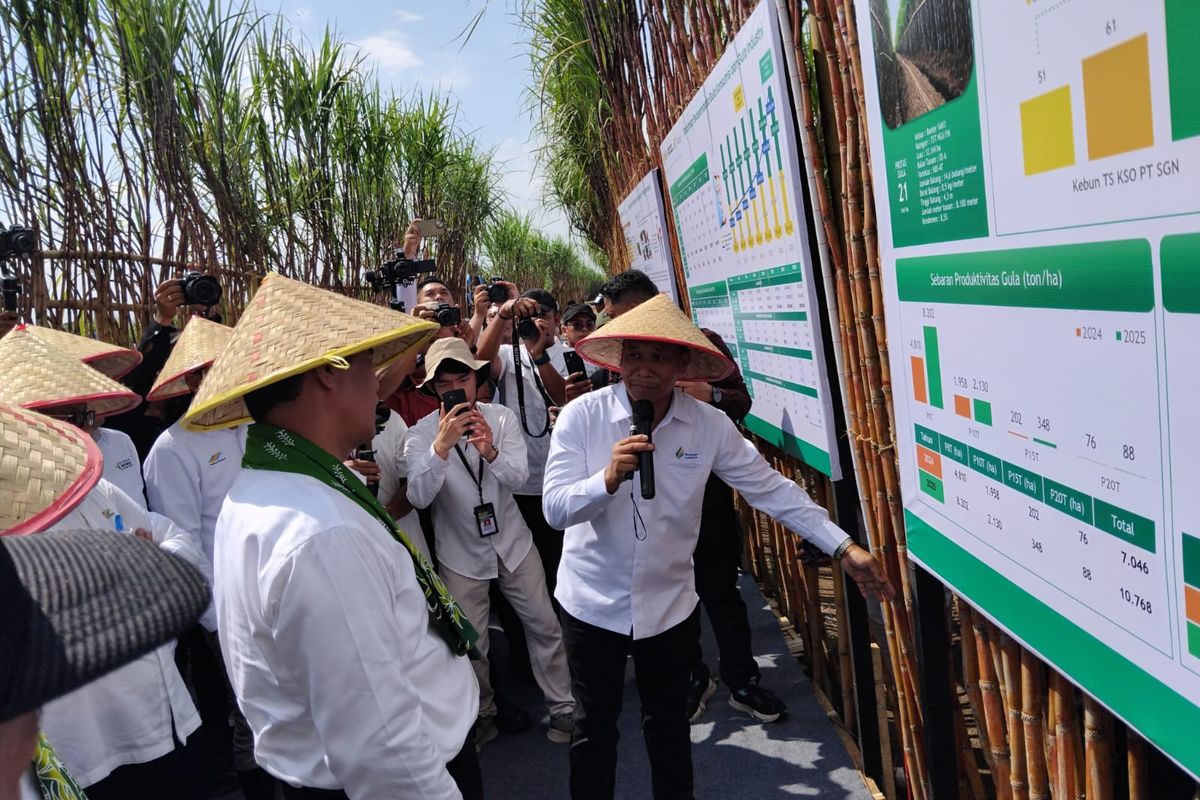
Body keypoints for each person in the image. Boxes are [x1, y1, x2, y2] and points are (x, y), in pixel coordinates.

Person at [543, 294, 894, 800]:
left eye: (658, 357)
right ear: (618, 359)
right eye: (634, 355)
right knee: (594, 728)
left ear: (683, 364)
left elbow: (770, 488)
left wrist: (843, 548)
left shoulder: (709, 426)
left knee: (667, 727)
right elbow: (555, 509)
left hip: (669, 608)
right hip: (591, 606)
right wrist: (606, 478)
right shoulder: (582, 418)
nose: (644, 369)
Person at [184, 272, 483, 799]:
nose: (378, 380)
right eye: (368, 360)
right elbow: (380, 745)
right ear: (329, 371)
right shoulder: (320, 533)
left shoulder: (267, 484)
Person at [598, 271, 788, 723]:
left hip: (706, 492)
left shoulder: (702, 344)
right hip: (648, 504)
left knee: (720, 588)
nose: (625, 338)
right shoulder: (618, 356)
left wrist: (710, 394)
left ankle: (743, 680)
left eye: (622, 316)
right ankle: (693, 677)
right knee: (672, 595)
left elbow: (740, 400)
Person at [0, 400, 208, 800]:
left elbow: (175, 539)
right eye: (77, 420)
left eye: (88, 416)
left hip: (168, 723)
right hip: (87, 750)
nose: (94, 431)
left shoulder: (96, 489)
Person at [406, 339, 575, 749]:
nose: (454, 387)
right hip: (460, 553)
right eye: (443, 381)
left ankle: (564, 707)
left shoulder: (499, 418)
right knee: (473, 642)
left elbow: (519, 478)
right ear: (431, 389)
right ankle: (483, 713)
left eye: (462, 377)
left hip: (513, 542)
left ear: (477, 378)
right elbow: (417, 498)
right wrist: (440, 449)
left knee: (544, 623)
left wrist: (490, 450)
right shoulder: (419, 436)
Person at [140, 315, 278, 800]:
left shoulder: (256, 427)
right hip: (228, 604)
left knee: (290, 701)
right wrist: (216, 622)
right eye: (210, 368)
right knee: (251, 712)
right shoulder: (173, 448)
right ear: (193, 378)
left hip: (276, 585)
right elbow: (181, 542)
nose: (224, 375)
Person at [475, 287, 569, 599]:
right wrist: (502, 314)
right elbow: (479, 361)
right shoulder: (508, 353)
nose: (537, 321)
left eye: (543, 314)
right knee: (526, 569)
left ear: (557, 319)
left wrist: (538, 354)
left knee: (560, 562)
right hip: (519, 482)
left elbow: (565, 397)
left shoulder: (572, 355)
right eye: (528, 316)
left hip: (559, 478)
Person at [105, 276, 223, 459]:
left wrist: (208, 312)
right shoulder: (124, 415)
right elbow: (142, 371)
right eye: (170, 351)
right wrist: (163, 318)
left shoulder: (193, 409)